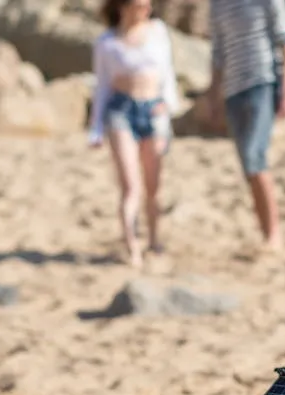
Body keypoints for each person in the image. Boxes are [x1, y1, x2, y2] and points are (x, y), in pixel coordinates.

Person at [88, 0, 181, 268]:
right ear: (123, 7)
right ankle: (132, 247)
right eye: (140, 5)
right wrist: (95, 129)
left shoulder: (158, 32)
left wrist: (169, 109)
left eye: (147, 5)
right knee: (131, 186)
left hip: (153, 110)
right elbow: (102, 86)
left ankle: (154, 239)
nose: (146, 9)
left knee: (153, 186)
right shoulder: (107, 42)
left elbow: (167, 74)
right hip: (121, 112)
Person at [208, 0, 285, 253]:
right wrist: (214, 94)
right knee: (249, 167)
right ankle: (266, 233)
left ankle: (275, 235)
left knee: (254, 157)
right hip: (233, 91)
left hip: (263, 83)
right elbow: (218, 51)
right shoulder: (217, 4)